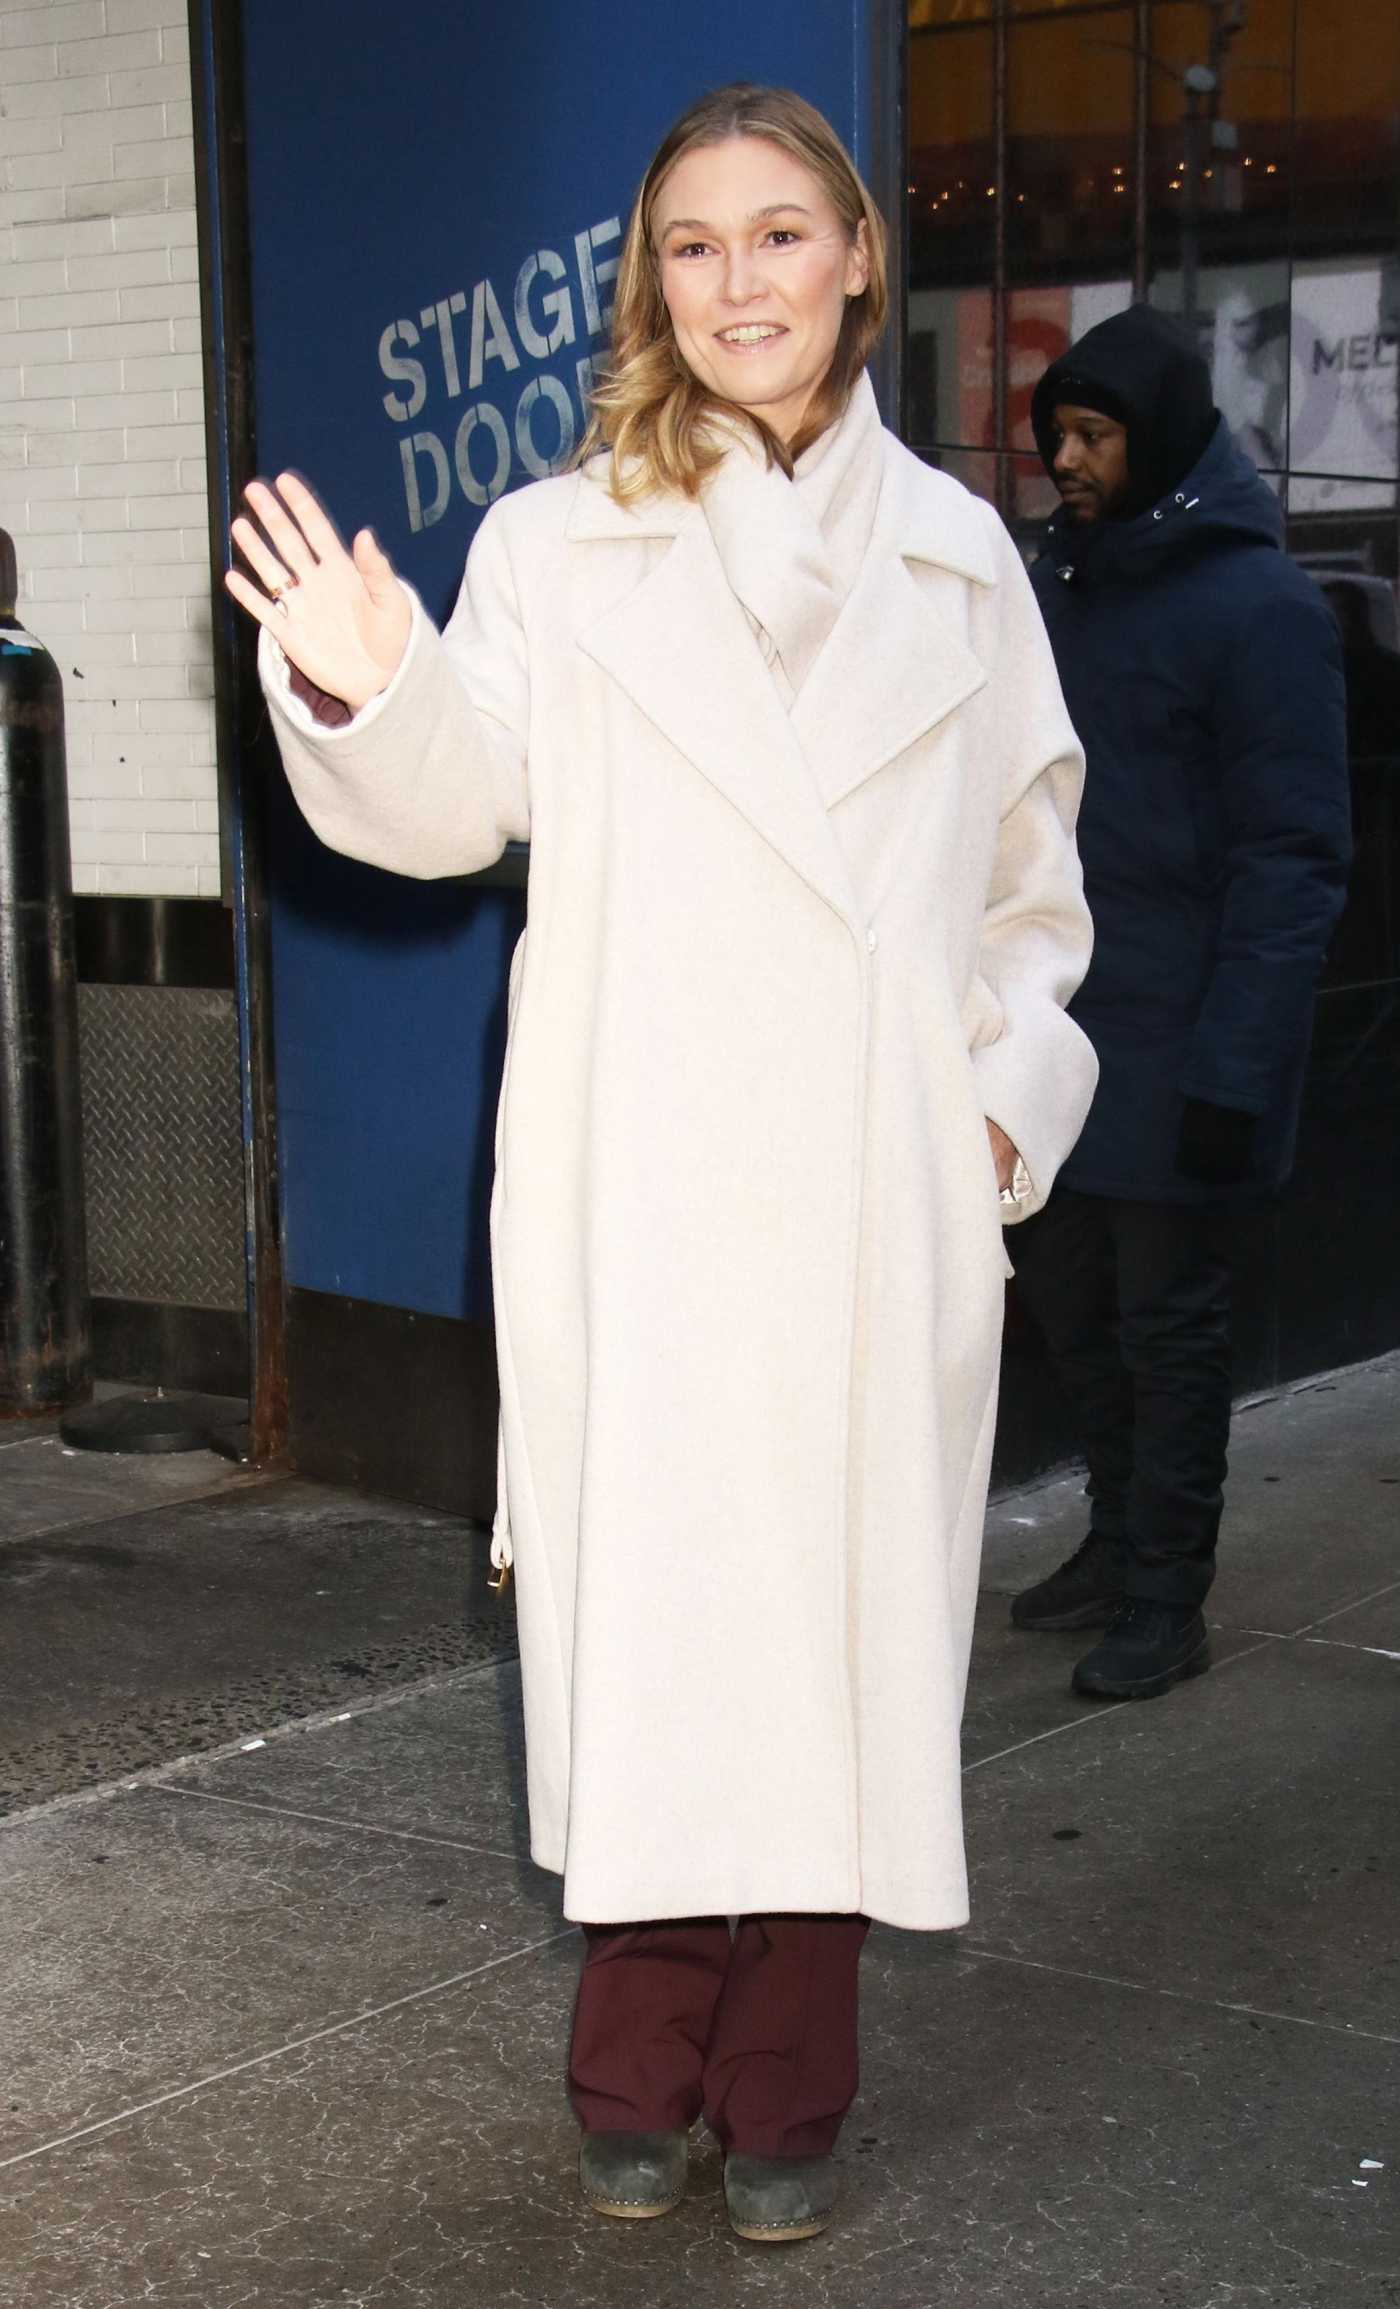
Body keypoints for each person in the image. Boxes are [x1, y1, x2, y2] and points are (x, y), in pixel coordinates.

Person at [227, 85, 1097, 2245]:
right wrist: (369, 690)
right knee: (664, 1651)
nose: (738, 286)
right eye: (693, 247)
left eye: (779, 237)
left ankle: (789, 2099)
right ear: (652, 281)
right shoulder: (555, 541)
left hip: (868, 1211)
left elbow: (1033, 886)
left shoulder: (959, 560)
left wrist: (996, 1099)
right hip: (651, 1201)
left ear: (857, 259)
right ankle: (636, 2074)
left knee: (833, 1656)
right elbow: (459, 805)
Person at [1010, 305, 1351, 1703]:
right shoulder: (1058, 590)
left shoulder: (1260, 605)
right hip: (1058, 1024)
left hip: (1183, 1037)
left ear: (1156, 437)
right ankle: (1114, 1538)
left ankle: (1168, 1592)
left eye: (1092, 436)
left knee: (1169, 1328)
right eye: (1058, 437)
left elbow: (1296, 853)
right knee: (1075, 1315)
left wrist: (1236, 1068)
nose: (1067, 462)